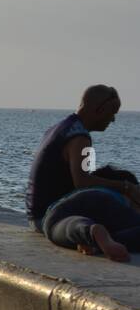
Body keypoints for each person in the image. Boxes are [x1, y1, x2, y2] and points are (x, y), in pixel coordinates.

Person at [26, 85, 138, 232]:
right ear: (100, 110)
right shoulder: (80, 137)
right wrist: (126, 187)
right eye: (112, 113)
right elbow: (83, 182)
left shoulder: (61, 128)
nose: (113, 120)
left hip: (38, 216)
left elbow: (85, 176)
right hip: (50, 218)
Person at [41, 166, 140, 261]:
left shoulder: (82, 192)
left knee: (61, 226)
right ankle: (102, 240)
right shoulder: (119, 198)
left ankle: (88, 231)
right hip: (104, 200)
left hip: (58, 211)